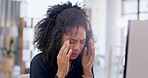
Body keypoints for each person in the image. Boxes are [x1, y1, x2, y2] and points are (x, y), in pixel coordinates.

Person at [30, 1, 95, 78]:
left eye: (82, 42)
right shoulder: (39, 63)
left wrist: (87, 71)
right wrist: (60, 73)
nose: (77, 48)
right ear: (57, 38)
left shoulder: (82, 62)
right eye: (71, 41)